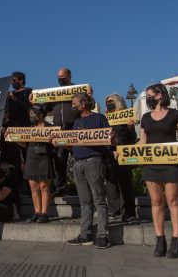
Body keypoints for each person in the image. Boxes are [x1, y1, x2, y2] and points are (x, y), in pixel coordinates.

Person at [138, 83, 178, 258]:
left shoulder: (175, 114)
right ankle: (160, 240)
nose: (147, 97)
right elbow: (142, 142)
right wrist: (122, 151)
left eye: (149, 94)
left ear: (160, 95)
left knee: (173, 200)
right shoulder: (145, 117)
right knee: (156, 201)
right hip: (151, 164)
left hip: (171, 164)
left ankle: (176, 241)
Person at [66, 93, 111, 249]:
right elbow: (73, 144)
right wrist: (60, 142)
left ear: (83, 103)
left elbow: (109, 138)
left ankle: (103, 234)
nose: (72, 107)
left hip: (94, 161)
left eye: (74, 104)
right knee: (85, 201)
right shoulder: (77, 122)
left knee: (99, 199)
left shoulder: (99, 118)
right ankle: (85, 234)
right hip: (78, 164)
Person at [104, 94, 138, 224]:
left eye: (111, 101)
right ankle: (114, 209)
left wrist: (130, 127)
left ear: (117, 102)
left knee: (125, 184)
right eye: (107, 102)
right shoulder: (105, 118)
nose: (108, 103)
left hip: (123, 153)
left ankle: (128, 212)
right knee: (111, 183)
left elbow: (132, 138)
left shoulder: (125, 118)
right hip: (110, 153)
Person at [46, 67, 79, 197]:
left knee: (79, 158)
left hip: (74, 129)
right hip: (59, 130)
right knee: (59, 160)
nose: (60, 79)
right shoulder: (55, 93)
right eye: (58, 77)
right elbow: (46, 106)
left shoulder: (77, 90)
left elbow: (87, 103)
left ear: (69, 76)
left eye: (62, 77)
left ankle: (81, 187)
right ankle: (60, 187)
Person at [24, 104, 54, 224]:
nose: (32, 116)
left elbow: (57, 143)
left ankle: (44, 213)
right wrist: (10, 137)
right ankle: (36, 212)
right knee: (33, 187)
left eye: (34, 113)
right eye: (30, 113)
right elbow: (23, 143)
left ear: (41, 114)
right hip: (31, 157)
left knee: (44, 187)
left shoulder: (51, 128)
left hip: (44, 158)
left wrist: (53, 140)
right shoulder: (29, 128)